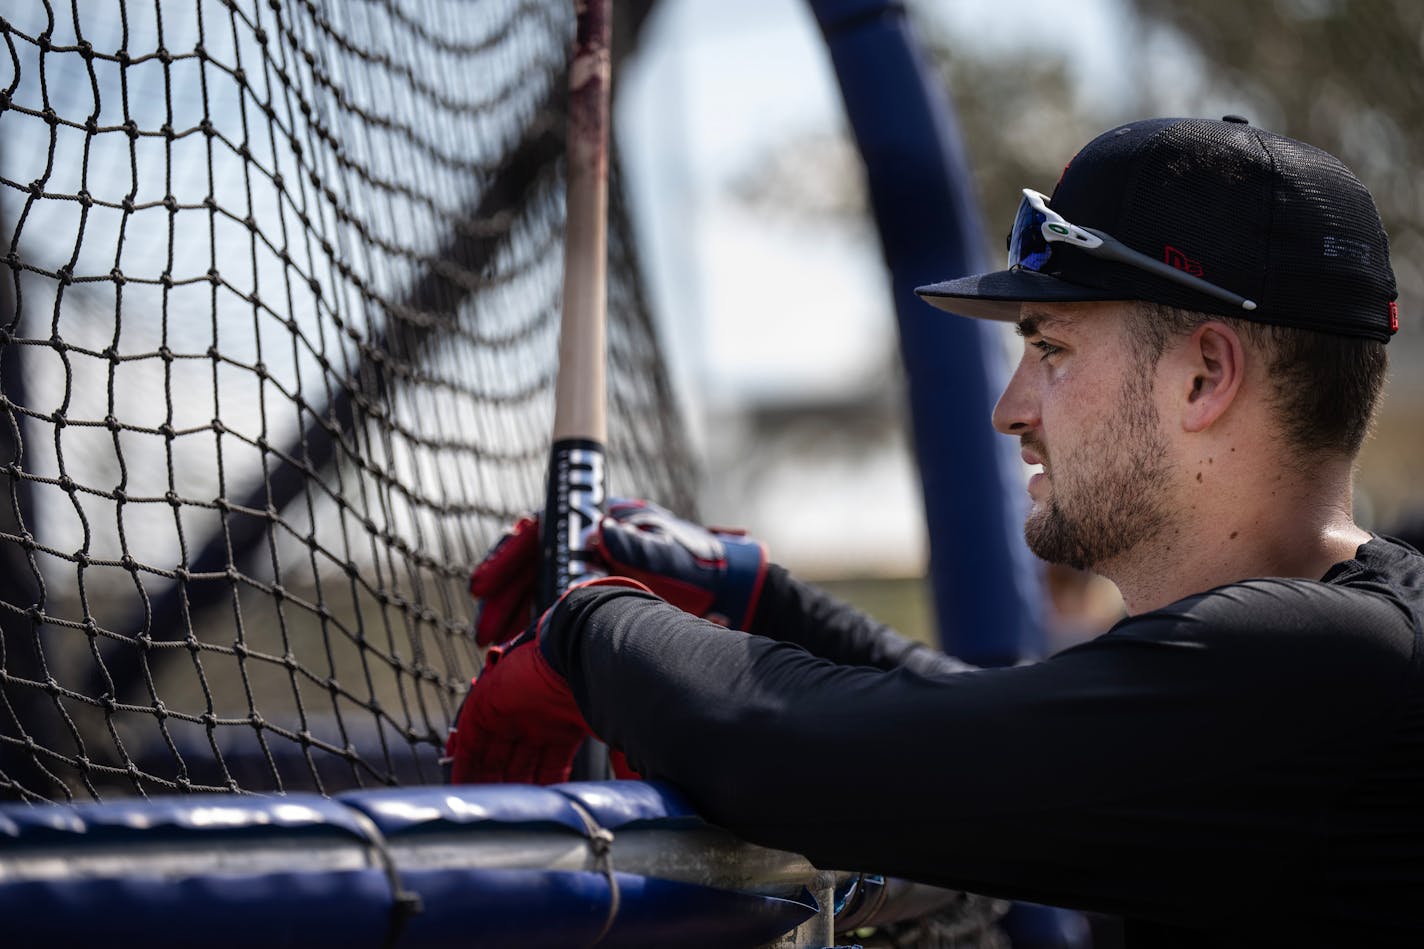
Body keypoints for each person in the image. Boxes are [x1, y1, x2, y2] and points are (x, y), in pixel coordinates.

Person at [446, 117, 1423, 946]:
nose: (1009, 406)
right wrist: (761, 600)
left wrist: (583, 629)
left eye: (1050, 347)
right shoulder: (1351, 643)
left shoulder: (1321, 665)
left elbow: (808, 755)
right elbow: (1006, 728)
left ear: (1202, 377)